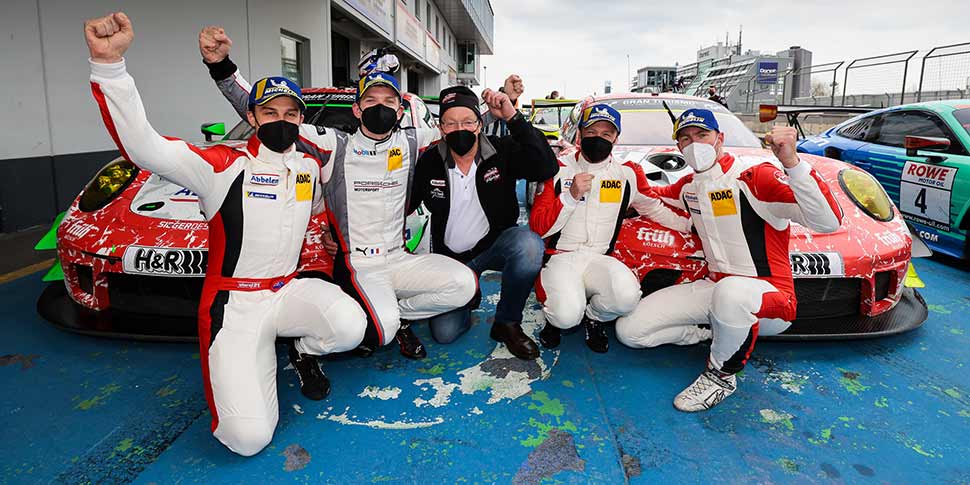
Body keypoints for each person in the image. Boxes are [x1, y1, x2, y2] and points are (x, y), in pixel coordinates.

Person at [85, 12, 368, 456]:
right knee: (247, 439)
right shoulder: (221, 164)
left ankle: (297, 348)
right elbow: (143, 145)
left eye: (291, 113)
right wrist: (110, 68)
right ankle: (248, 370)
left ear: (300, 118)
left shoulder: (308, 166)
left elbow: (315, 217)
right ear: (252, 117)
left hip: (287, 292)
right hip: (234, 305)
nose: (282, 120)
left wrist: (325, 248)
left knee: (351, 326)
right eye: (270, 112)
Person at [198, 27, 477, 360]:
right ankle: (335, 337)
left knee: (465, 285)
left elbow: (461, 125)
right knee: (381, 332)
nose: (381, 108)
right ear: (357, 110)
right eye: (370, 101)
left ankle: (400, 312)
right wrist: (222, 68)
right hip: (360, 263)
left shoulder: (414, 141)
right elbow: (267, 111)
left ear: (400, 111)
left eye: (389, 102)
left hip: (400, 257)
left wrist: (505, 110)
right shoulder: (334, 145)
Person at [615, 109, 842, 412]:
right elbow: (652, 196)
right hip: (714, 288)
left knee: (731, 293)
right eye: (685, 138)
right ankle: (710, 334)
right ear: (679, 148)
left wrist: (793, 162)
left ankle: (722, 375)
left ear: (719, 138)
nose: (694, 143)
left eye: (702, 135)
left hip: (771, 297)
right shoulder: (689, 187)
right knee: (630, 331)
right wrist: (625, 174)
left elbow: (827, 222)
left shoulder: (754, 177)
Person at [409, 85, 558, 359]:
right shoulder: (429, 161)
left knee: (528, 246)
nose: (459, 128)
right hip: (451, 261)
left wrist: (513, 118)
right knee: (445, 334)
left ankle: (507, 322)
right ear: (441, 128)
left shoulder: (501, 151)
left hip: (494, 248)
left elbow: (546, 166)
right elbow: (404, 206)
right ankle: (468, 292)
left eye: (467, 121)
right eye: (451, 123)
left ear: (479, 124)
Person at [529, 104, 691, 353]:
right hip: (561, 258)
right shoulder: (557, 169)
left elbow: (654, 208)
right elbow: (538, 227)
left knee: (627, 298)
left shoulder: (627, 173)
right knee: (565, 316)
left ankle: (594, 317)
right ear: (580, 133)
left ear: (616, 137)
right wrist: (570, 196)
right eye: (592, 131)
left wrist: (692, 226)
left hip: (600, 258)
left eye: (606, 134)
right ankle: (556, 319)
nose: (598, 138)